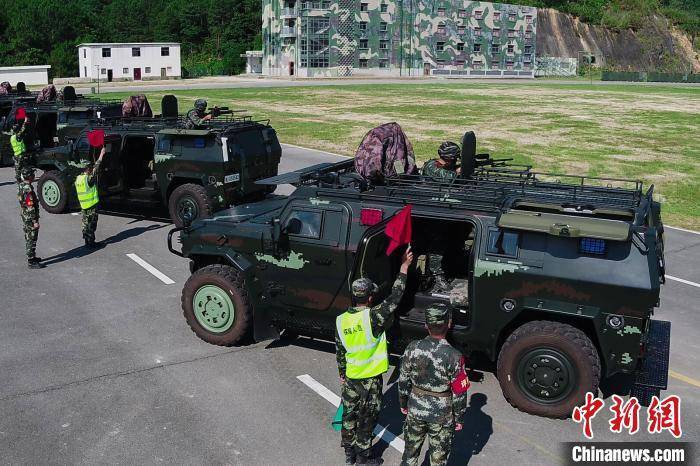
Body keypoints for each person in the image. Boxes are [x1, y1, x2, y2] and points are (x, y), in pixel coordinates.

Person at [336, 248, 414, 465]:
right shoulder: (373, 317)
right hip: (370, 379)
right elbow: (395, 297)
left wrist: (342, 373)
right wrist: (404, 267)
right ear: (370, 297)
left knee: (349, 415)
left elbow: (340, 351)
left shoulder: (341, 320)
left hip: (351, 376)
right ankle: (363, 458)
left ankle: (349, 454)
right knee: (367, 418)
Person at [399, 303, 470, 466]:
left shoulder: (412, 348)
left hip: (415, 408)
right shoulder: (454, 356)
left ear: (426, 325)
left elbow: (403, 381)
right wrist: (459, 417)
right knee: (438, 460)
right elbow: (459, 391)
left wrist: (404, 403)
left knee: (410, 454)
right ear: (449, 324)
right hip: (442, 415)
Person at [74, 147, 106, 248]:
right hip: (92, 205)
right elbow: (97, 166)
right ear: (87, 168)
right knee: (92, 224)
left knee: (85, 224)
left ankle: (87, 240)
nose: (91, 168)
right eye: (90, 167)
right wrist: (101, 154)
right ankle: (91, 243)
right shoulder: (88, 179)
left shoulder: (78, 178)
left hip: (84, 206)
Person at [18, 168, 43, 269]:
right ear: (29, 176)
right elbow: (30, 206)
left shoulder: (21, 185)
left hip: (25, 214)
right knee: (31, 237)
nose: (34, 176)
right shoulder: (28, 189)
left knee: (29, 236)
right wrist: (34, 221)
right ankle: (31, 260)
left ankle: (32, 256)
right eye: (32, 174)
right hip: (29, 217)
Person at [10, 119, 31, 185]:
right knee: (24, 167)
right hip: (21, 155)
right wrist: (25, 122)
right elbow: (22, 130)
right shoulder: (17, 136)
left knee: (18, 170)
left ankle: (19, 181)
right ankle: (25, 179)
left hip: (16, 155)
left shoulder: (12, 137)